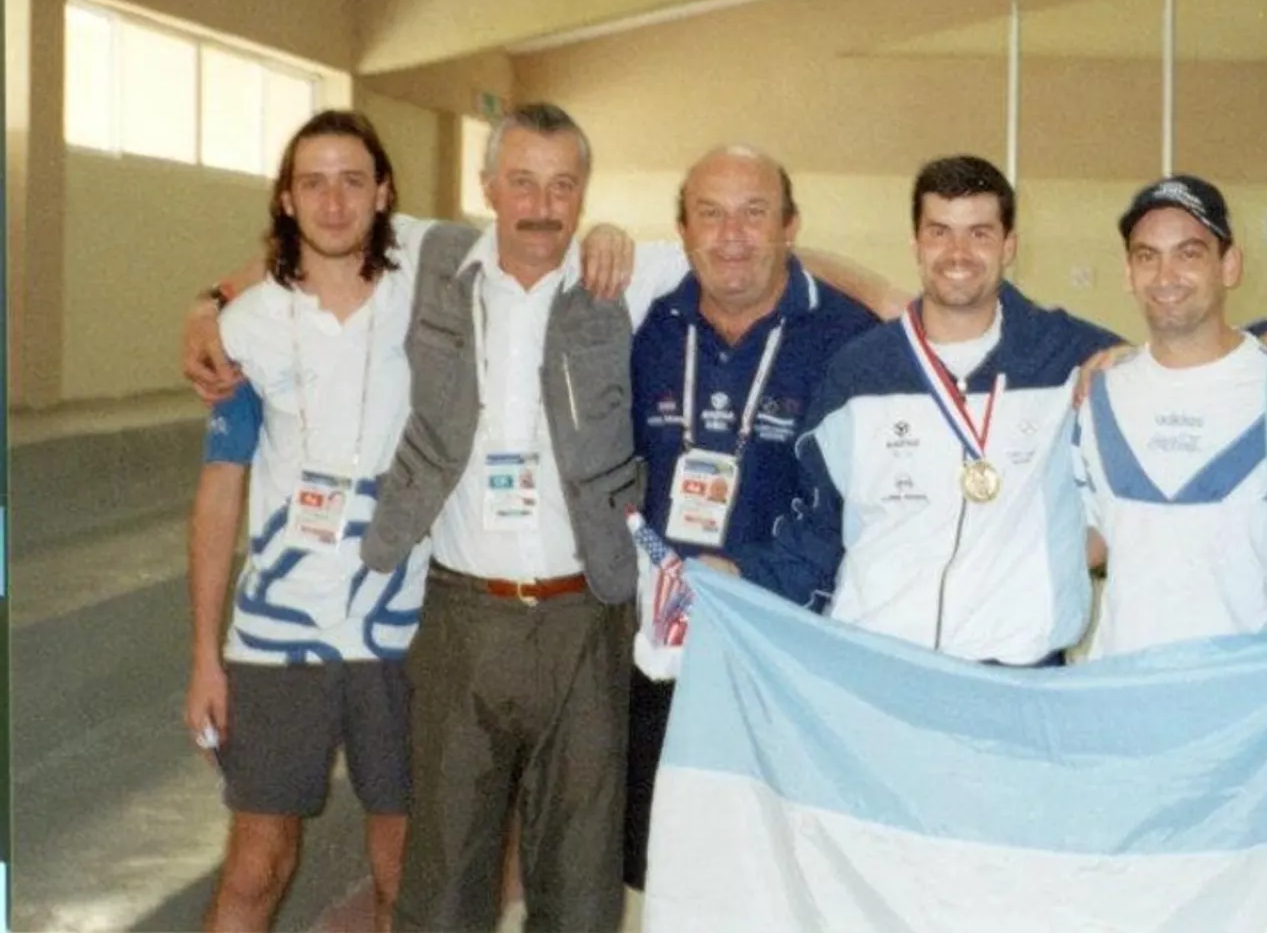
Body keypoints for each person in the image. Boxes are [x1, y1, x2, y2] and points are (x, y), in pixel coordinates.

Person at [357, 103, 688, 932]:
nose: (542, 206)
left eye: (564, 186)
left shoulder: (624, 271)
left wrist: (897, 295)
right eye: (523, 183)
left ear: (585, 193)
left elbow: (758, 256)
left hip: (586, 616)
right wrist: (209, 301)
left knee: (580, 880)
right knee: (444, 870)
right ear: (488, 187)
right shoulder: (429, 257)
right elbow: (315, 243)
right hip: (464, 615)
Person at [185, 110, 429, 932]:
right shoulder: (243, 331)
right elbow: (220, 492)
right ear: (286, 199)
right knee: (257, 866)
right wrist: (204, 657)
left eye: (353, 180)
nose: (334, 201)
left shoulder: (427, 293)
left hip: (403, 636)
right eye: (314, 182)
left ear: (384, 191)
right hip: (275, 640)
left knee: (404, 867)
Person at [621, 145, 877, 892]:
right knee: (667, 866)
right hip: (667, 648)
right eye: (712, 214)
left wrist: (748, 578)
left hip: (787, 650)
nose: (732, 235)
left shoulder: (850, 339)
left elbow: (858, 507)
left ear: (791, 226)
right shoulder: (651, 330)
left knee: (781, 870)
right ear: (683, 230)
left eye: (754, 213)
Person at [792, 155, 1123, 666]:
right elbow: (815, 529)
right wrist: (734, 577)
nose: (958, 252)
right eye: (940, 232)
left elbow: (1192, 363)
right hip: (879, 667)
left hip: (1019, 678)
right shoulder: (858, 372)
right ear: (916, 244)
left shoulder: (1063, 352)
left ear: (1009, 246)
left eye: (980, 234)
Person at [1073, 175, 1267, 659]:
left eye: (1188, 253)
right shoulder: (1096, 396)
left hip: (1253, 701)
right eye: (1147, 256)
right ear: (1128, 272)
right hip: (1123, 698)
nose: (1166, 276)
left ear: (1229, 265)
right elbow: (1091, 539)